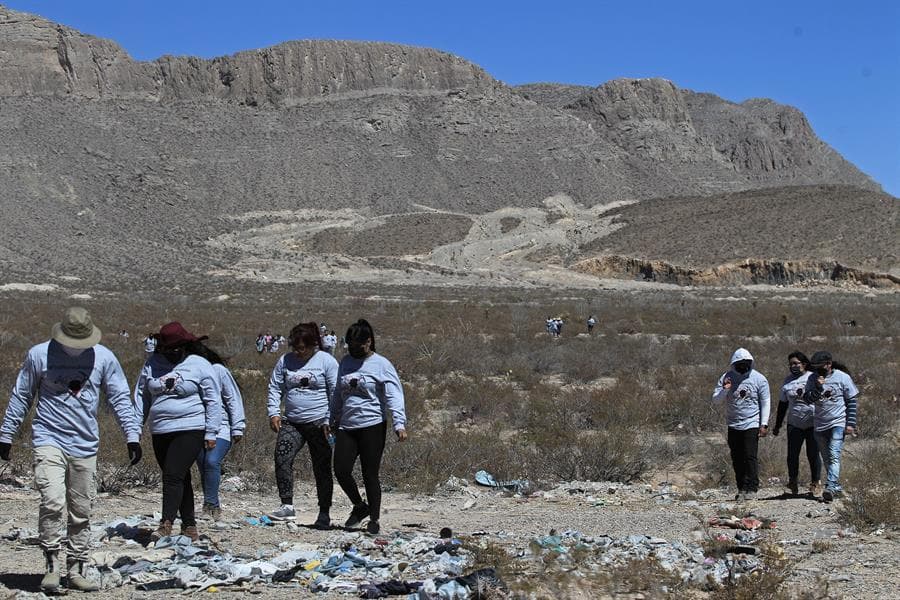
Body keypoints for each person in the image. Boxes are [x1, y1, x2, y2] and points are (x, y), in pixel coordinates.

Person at [0, 307, 142, 592]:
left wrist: (132, 435)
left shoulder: (104, 357)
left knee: (81, 510)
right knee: (52, 502)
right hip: (48, 439)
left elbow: (120, 399)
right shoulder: (39, 355)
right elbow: (22, 395)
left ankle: (76, 568)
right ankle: (51, 565)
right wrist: (6, 434)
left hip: (85, 444)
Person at [135, 322, 222, 541]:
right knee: (179, 476)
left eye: (176, 349)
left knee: (171, 475)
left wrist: (212, 431)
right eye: (168, 350)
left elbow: (213, 399)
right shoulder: (152, 364)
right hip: (160, 430)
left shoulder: (199, 364)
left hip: (190, 427)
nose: (172, 354)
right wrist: (134, 430)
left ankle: (166, 523)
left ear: (184, 346)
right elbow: (141, 397)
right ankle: (190, 526)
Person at [331, 319, 407, 534]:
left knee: (369, 474)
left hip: (372, 425)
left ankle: (374, 519)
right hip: (347, 425)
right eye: (350, 345)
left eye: (358, 345)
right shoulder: (345, 363)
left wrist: (399, 423)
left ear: (369, 342)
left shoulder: (381, 364)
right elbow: (338, 392)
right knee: (341, 469)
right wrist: (332, 417)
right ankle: (359, 505)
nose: (354, 350)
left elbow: (394, 394)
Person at [266, 323, 338, 527]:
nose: (298, 352)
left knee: (322, 466)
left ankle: (324, 512)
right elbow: (275, 387)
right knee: (282, 457)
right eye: (295, 348)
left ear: (313, 345)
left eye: (302, 348)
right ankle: (286, 505)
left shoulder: (326, 362)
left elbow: (335, 393)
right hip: (292, 422)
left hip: (319, 423)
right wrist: (274, 412)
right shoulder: (285, 361)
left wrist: (329, 420)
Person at [711, 348, 771, 501]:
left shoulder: (759, 379)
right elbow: (716, 400)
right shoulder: (727, 377)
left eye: (746, 364)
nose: (743, 367)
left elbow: (765, 402)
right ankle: (741, 487)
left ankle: (752, 487)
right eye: (740, 364)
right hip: (733, 423)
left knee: (750, 455)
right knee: (736, 456)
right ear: (734, 364)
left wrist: (763, 424)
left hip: (751, 422)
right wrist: (726, 390)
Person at [195, 344, 246, 520]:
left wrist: (238, 425)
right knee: (203, 466)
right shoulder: (190, 373)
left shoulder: (219, 371)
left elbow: (232, 397)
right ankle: (213, 506)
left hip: (222, 427)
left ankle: (209, 504)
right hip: (198, 427)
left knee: (211, 461)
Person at [803, 351, 859, 502]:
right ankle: (836, 487)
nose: (817, 370)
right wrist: (817, 388)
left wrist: (851, 423)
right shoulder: (812, 378)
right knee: (827, 458)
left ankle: (830, 486)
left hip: (838, 422)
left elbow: (852, 401)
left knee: (834, 454)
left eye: (820, 367)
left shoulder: (842, 377)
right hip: (820, 424)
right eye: (815, 367)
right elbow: (807, 399)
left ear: (828, 364)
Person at [772, 351, 821, 496]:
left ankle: (816, 483)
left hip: (812, 422)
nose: (793, 366)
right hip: (794, 423)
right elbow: (782, 404)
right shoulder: (787, 381)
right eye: (791, 364)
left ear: (804, 364)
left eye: (796, 363)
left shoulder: (812, 378)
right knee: (792, 455)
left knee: (813, 454)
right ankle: (792, 482)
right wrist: (777, 425)